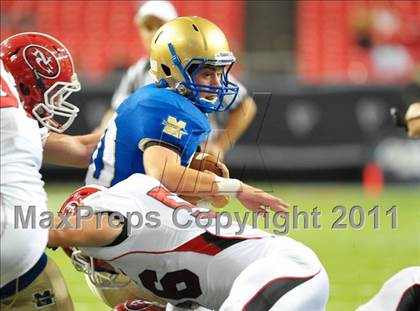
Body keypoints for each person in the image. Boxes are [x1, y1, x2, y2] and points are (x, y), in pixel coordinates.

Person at [49, 173, 329, 310]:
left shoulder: (111, 220)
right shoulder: (140, 215)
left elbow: (46, 230)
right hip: (284, 280)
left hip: (283, 271)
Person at [0, 32, 100, 309]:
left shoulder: (18, 118)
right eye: (52, 92)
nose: (54, 103)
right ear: (26, 80)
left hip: (24, 265)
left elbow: (85, 150)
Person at [96, 0, 257, 161]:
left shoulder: (201, 66)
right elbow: (116, 111)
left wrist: (220, 145)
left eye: (160, 25)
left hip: (197, 154)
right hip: (154, 153)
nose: (153, 32)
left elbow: (246, 105)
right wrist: (102, 134)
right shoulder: (138, 71)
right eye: (148, 27)